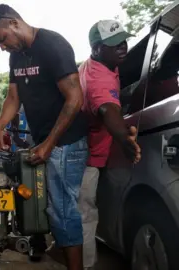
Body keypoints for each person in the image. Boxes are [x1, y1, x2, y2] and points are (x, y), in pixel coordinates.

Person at [0, 4, 89, 270]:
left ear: (14, 23)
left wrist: (49, 144)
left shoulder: (52, 45)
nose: (2, 47)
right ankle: (58, 250)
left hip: (66, 143)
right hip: (42, 140)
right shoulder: (16, 56)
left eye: (2, 39)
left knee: (63, 212)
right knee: (44, 207)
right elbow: (13, 97)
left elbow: (75, 99)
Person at [78, 20, 141, 270]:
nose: (123, 48)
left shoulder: (97, 64)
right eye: (114, 45)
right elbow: (107, 109)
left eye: (123, 41)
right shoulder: (99, 79)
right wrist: (123, 138)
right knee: (85, 212)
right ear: (96, 49)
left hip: (93, 152)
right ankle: (85, 264)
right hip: (90, 157)